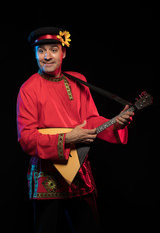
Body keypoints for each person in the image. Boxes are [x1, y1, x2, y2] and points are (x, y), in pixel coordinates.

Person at [17, 27, 134, 233]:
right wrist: (67, 138)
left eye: (53, 50)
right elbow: (26, 137)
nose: (47, 56)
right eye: (41, 51)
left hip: (77, 167)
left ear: (63, 53)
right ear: (35, 54)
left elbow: (91, 120)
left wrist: (116, 123)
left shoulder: (77, 79)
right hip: (47, 174)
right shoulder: (29, 88)